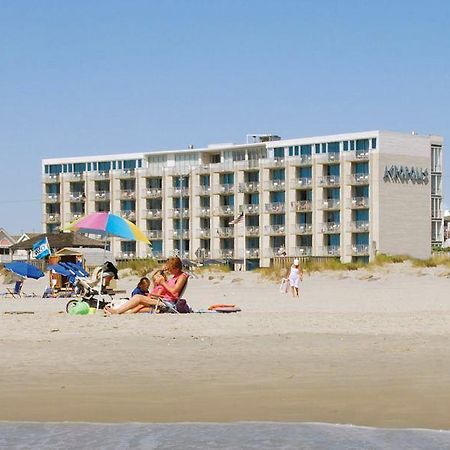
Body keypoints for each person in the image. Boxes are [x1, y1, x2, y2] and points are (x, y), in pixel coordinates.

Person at [104, 257, 189, 314]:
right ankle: (120, 311)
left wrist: (163, 282)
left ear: (176, 268)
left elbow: (174, 293)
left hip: (167, 303)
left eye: (170, 269)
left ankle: (117, 312)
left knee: (138, 297)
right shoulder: (175, 276)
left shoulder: (182, 277)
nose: (169, 271)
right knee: (139, 305)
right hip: (163, 300)